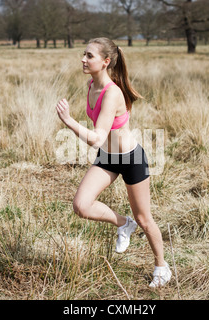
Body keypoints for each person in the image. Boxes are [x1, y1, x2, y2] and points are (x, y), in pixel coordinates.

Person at [55, 37, 171, 288]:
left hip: (130, 159)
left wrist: (69, 121)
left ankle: (162, 266)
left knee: (144, 218)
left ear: (106, 62)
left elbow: (96, 138)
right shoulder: (90, 85)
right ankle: (122, 223)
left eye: (89, 56)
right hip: (107, 158)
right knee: (81, 205)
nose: (83, 59)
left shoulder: (112, 93)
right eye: (83, 54)